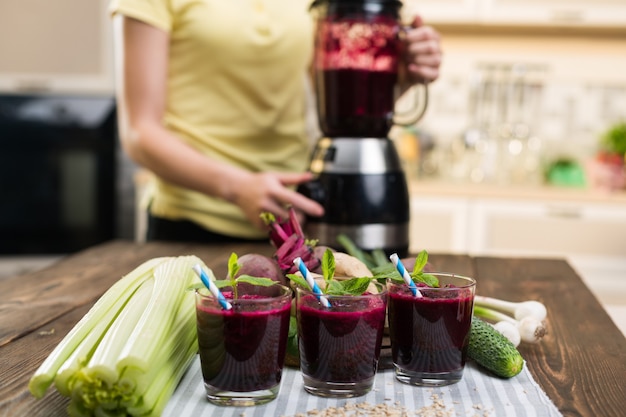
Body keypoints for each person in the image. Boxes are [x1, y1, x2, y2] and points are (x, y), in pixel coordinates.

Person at [109, 0, 442, 243]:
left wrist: (401, 75)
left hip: (295, 222)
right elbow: (140, 132)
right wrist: (238, 188)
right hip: (189, 224)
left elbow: (340, 98)